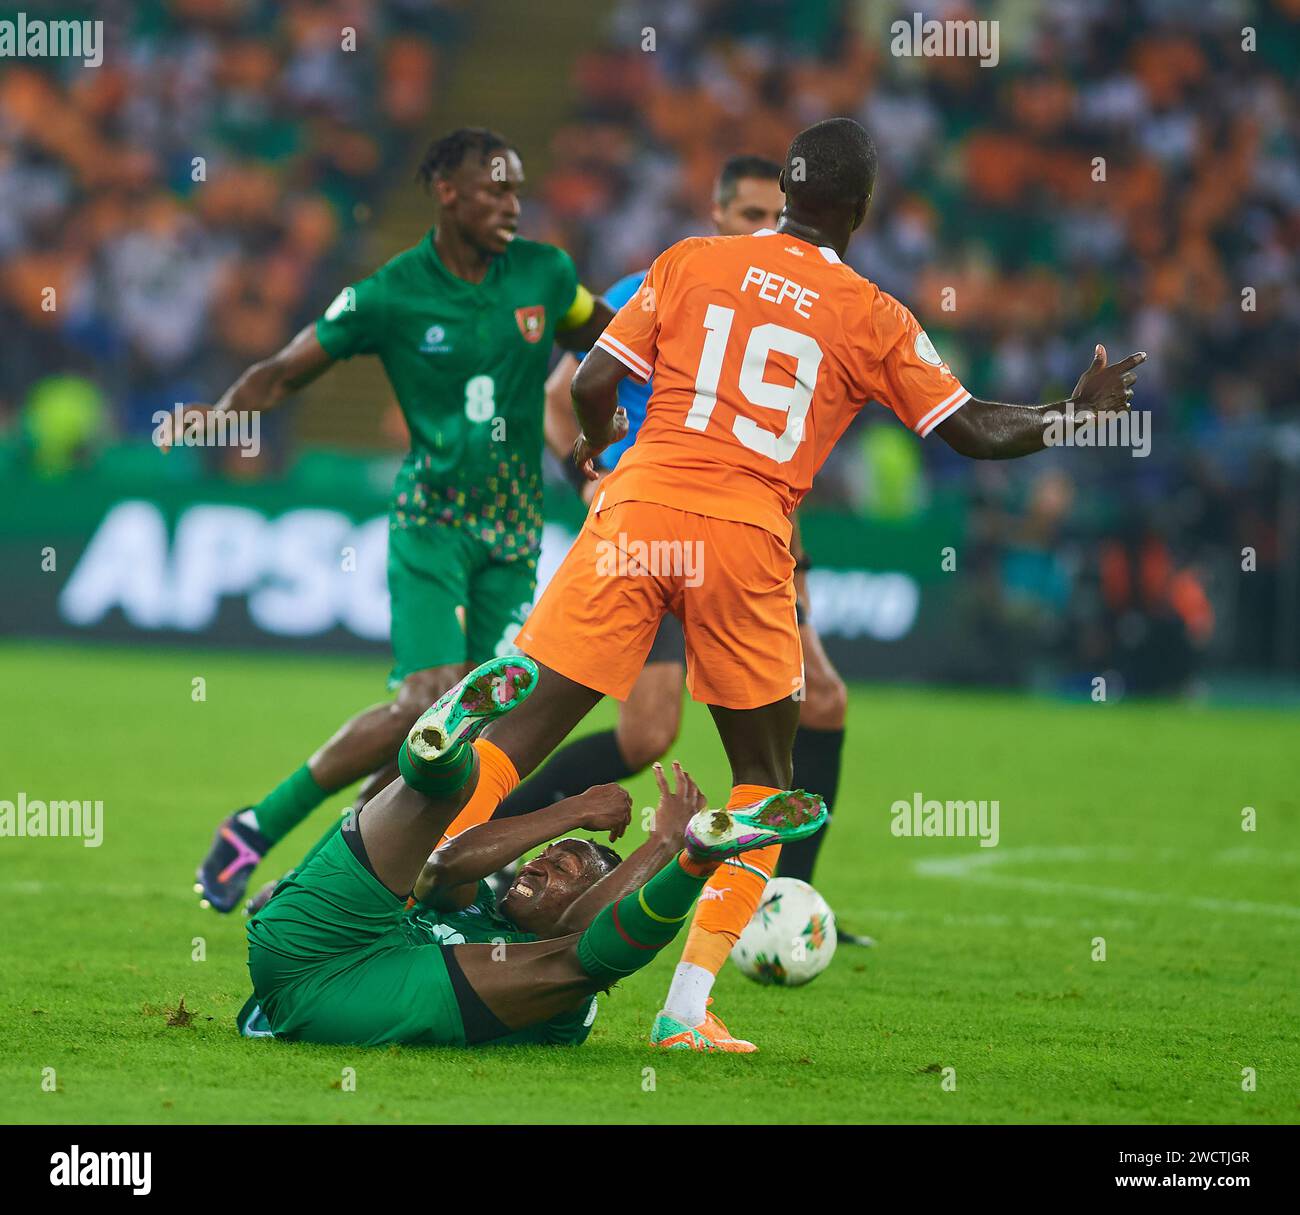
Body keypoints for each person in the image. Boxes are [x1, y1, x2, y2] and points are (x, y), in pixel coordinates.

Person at [359, 115, 1147, 1053]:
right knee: (763, 781)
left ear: (784, 186)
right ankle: (685, 1009)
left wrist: (611, 454)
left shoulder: (692, 259)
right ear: (860, 209)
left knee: (515, 734)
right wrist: (1072, 412)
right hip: (743, 532)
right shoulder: (873, 313)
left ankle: (398, 900)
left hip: (637, 510)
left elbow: (589, 384)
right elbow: (972, 430)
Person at [191, 128, 614, 912]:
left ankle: (317, 876)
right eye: (496, 190)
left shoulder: (547, 275)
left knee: (465, 732)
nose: (513, 206)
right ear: (448, 192)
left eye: (519, 190)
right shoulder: (389, 293)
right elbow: (284, 370)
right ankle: (257, 824)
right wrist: (216, 425)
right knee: (428, 702)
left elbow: (607, 335)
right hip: (433, 522)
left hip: (516, 534)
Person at [501, 155, 850, 903]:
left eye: (773, 215)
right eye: (751, 216)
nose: (766, 229)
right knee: (644, 732)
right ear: (720, 214)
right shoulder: (663, 280)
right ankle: (483, 836)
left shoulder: (798, 302)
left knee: (818, 698)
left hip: (747, 529)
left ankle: (786, 900)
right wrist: (592, 480)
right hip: (653, 524)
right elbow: (566, 391)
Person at [240, 660, 827, 1049]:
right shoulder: (479, 903)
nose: (540, 865)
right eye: (546, 859)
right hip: (301, 944)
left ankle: (698, 860)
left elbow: (582, 929)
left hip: (365, 999)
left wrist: (664, 846)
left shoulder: (556, 995)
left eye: (565, 868)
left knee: (576, 963)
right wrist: (570, 811)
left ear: (592, 893)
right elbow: (443, 866)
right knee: (429, 819)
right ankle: (438, 752)